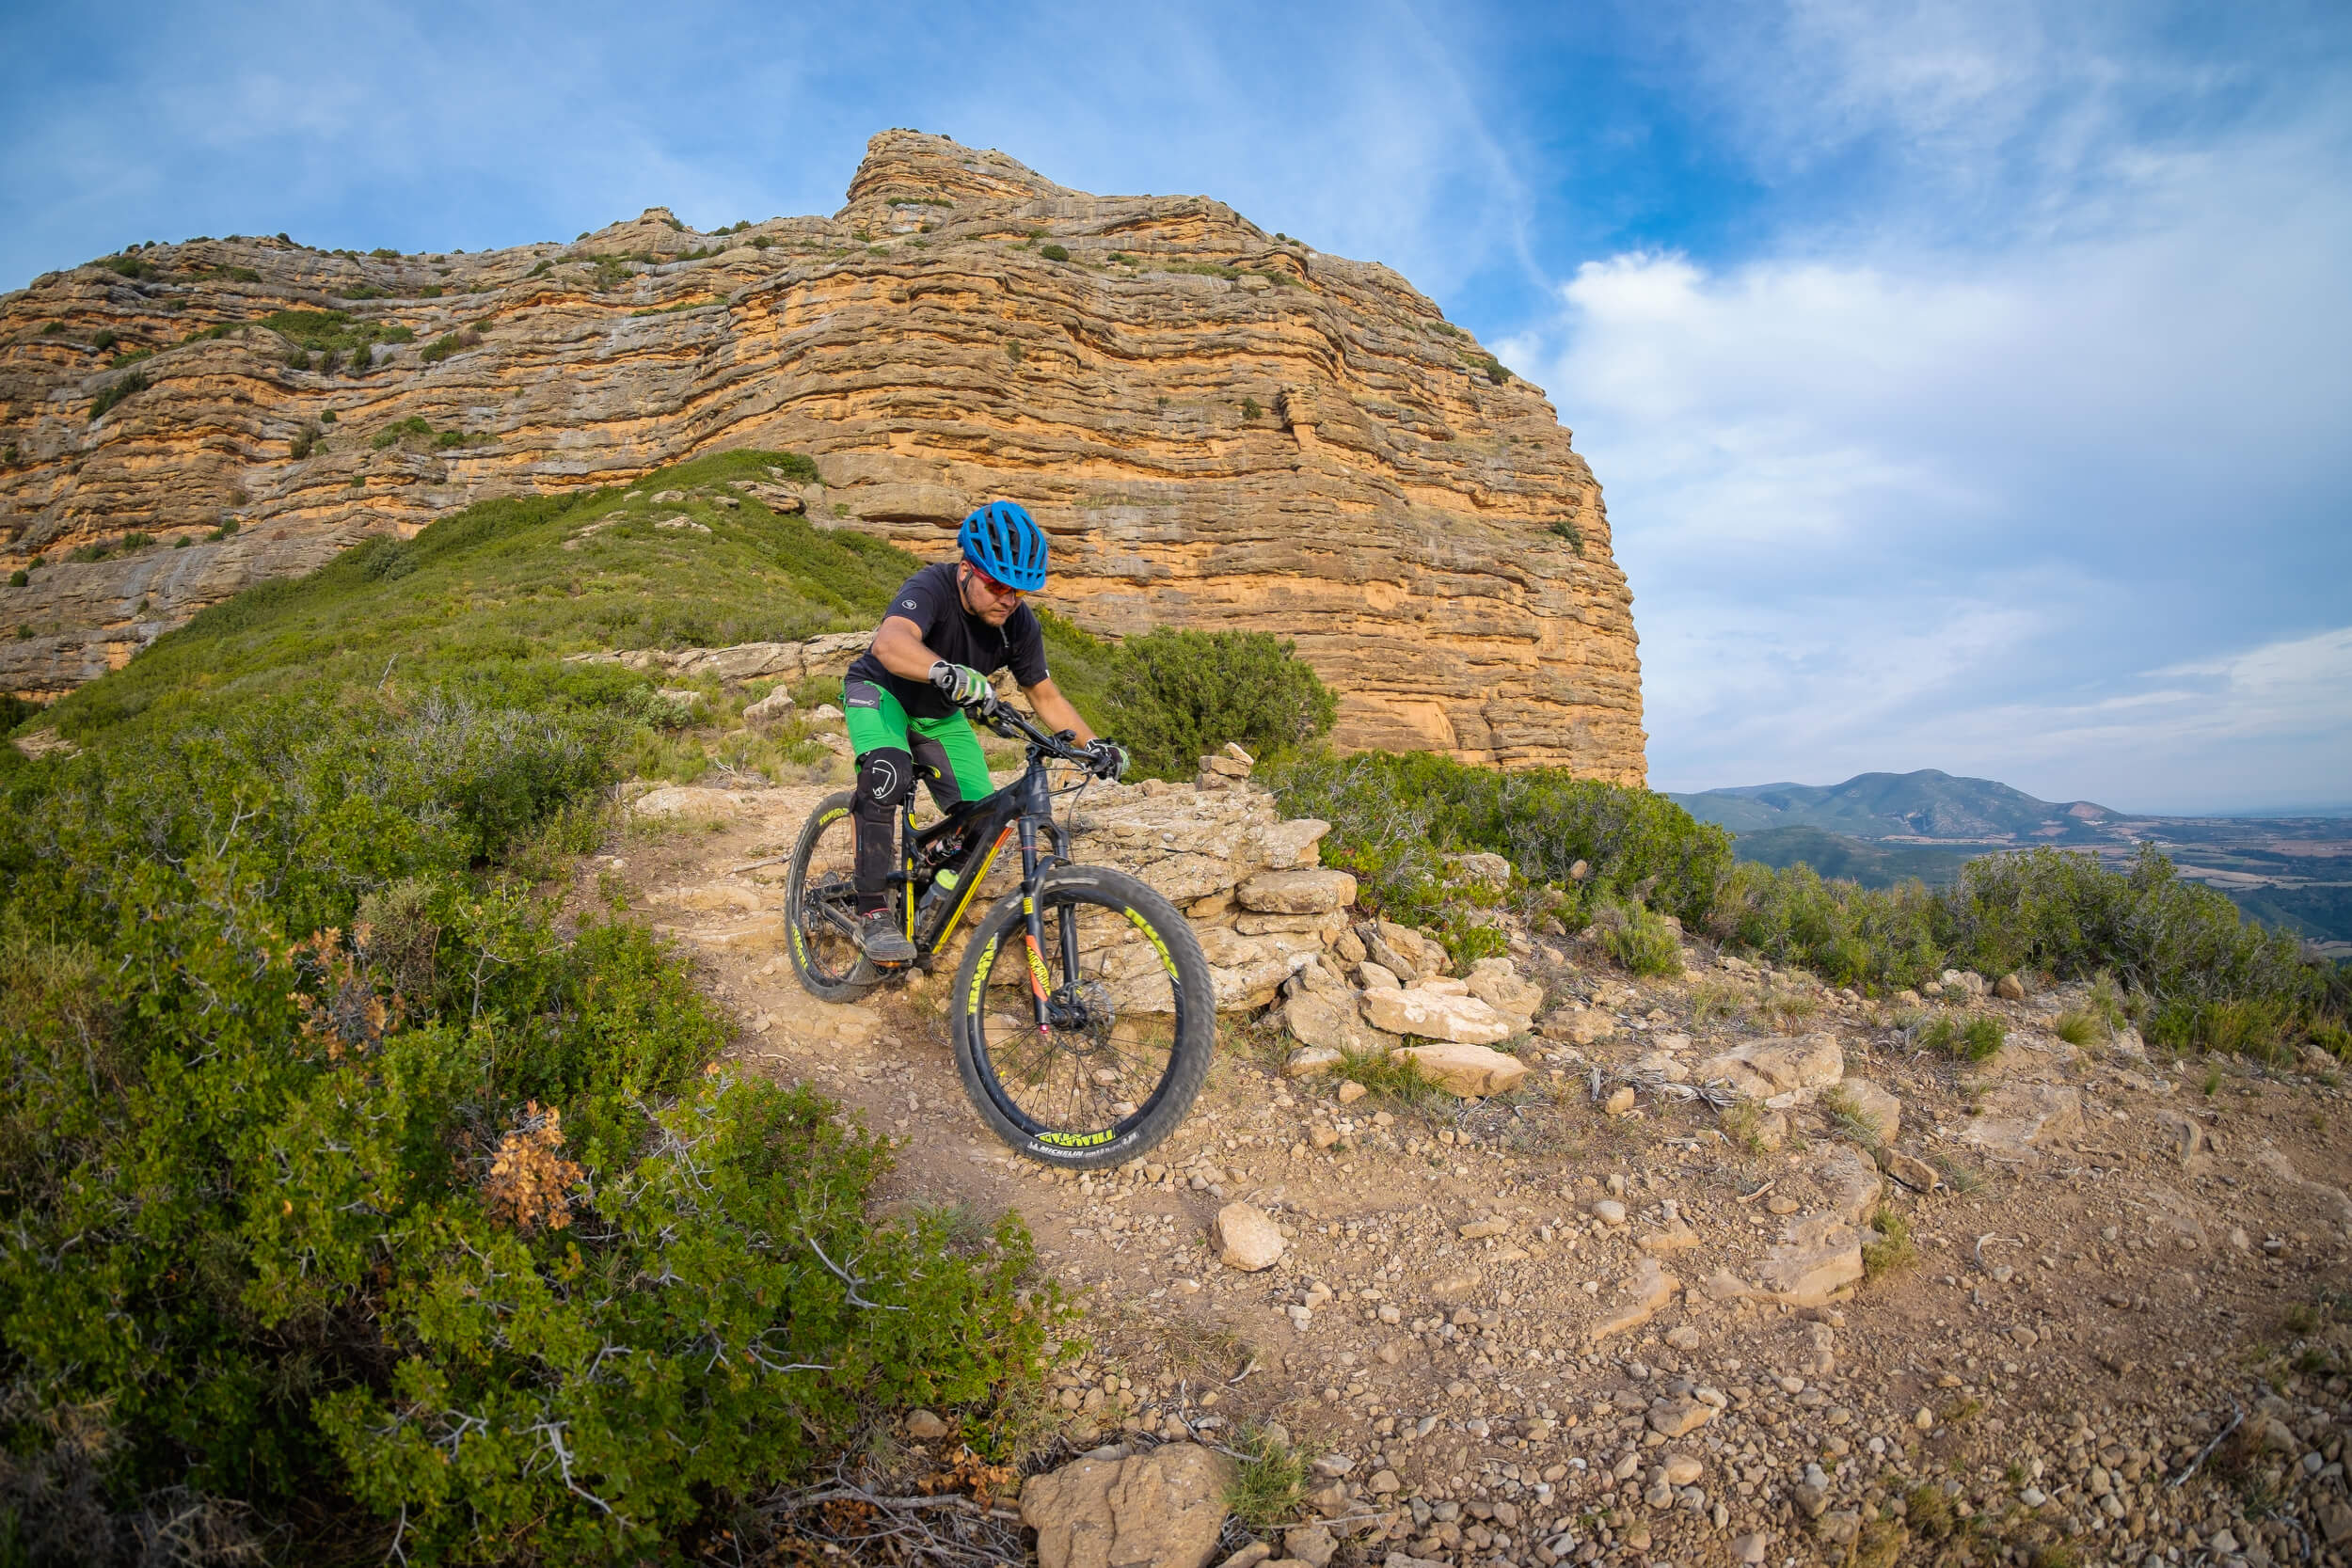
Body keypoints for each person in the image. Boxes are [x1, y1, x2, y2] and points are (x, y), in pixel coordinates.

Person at [837, 499, 1127, 963]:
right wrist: (943, 670)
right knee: (888, 772)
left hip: (940, 717)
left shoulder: (1019, 624)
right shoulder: (931, 586)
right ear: (968, 569)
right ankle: (871, 908)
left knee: (984, 819)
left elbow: (1046, 696)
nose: (1008, 600)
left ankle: (930, 892)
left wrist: (1094, 746)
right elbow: (890, 643)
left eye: (1019, 591)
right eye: (996, 586)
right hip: (882, 692)